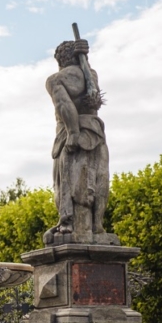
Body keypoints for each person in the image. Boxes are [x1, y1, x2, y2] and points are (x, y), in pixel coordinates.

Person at [43, 37, 109, 244]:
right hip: (96, 133)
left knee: (67, 184)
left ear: (61, 59)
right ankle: (96, 227)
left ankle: (68, 224)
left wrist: (72, 132)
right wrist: (86, 61)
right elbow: (91, 92)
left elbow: (64, 105)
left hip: (73, 135)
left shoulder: (56, 79)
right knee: (98, 180)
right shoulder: (92, 75)